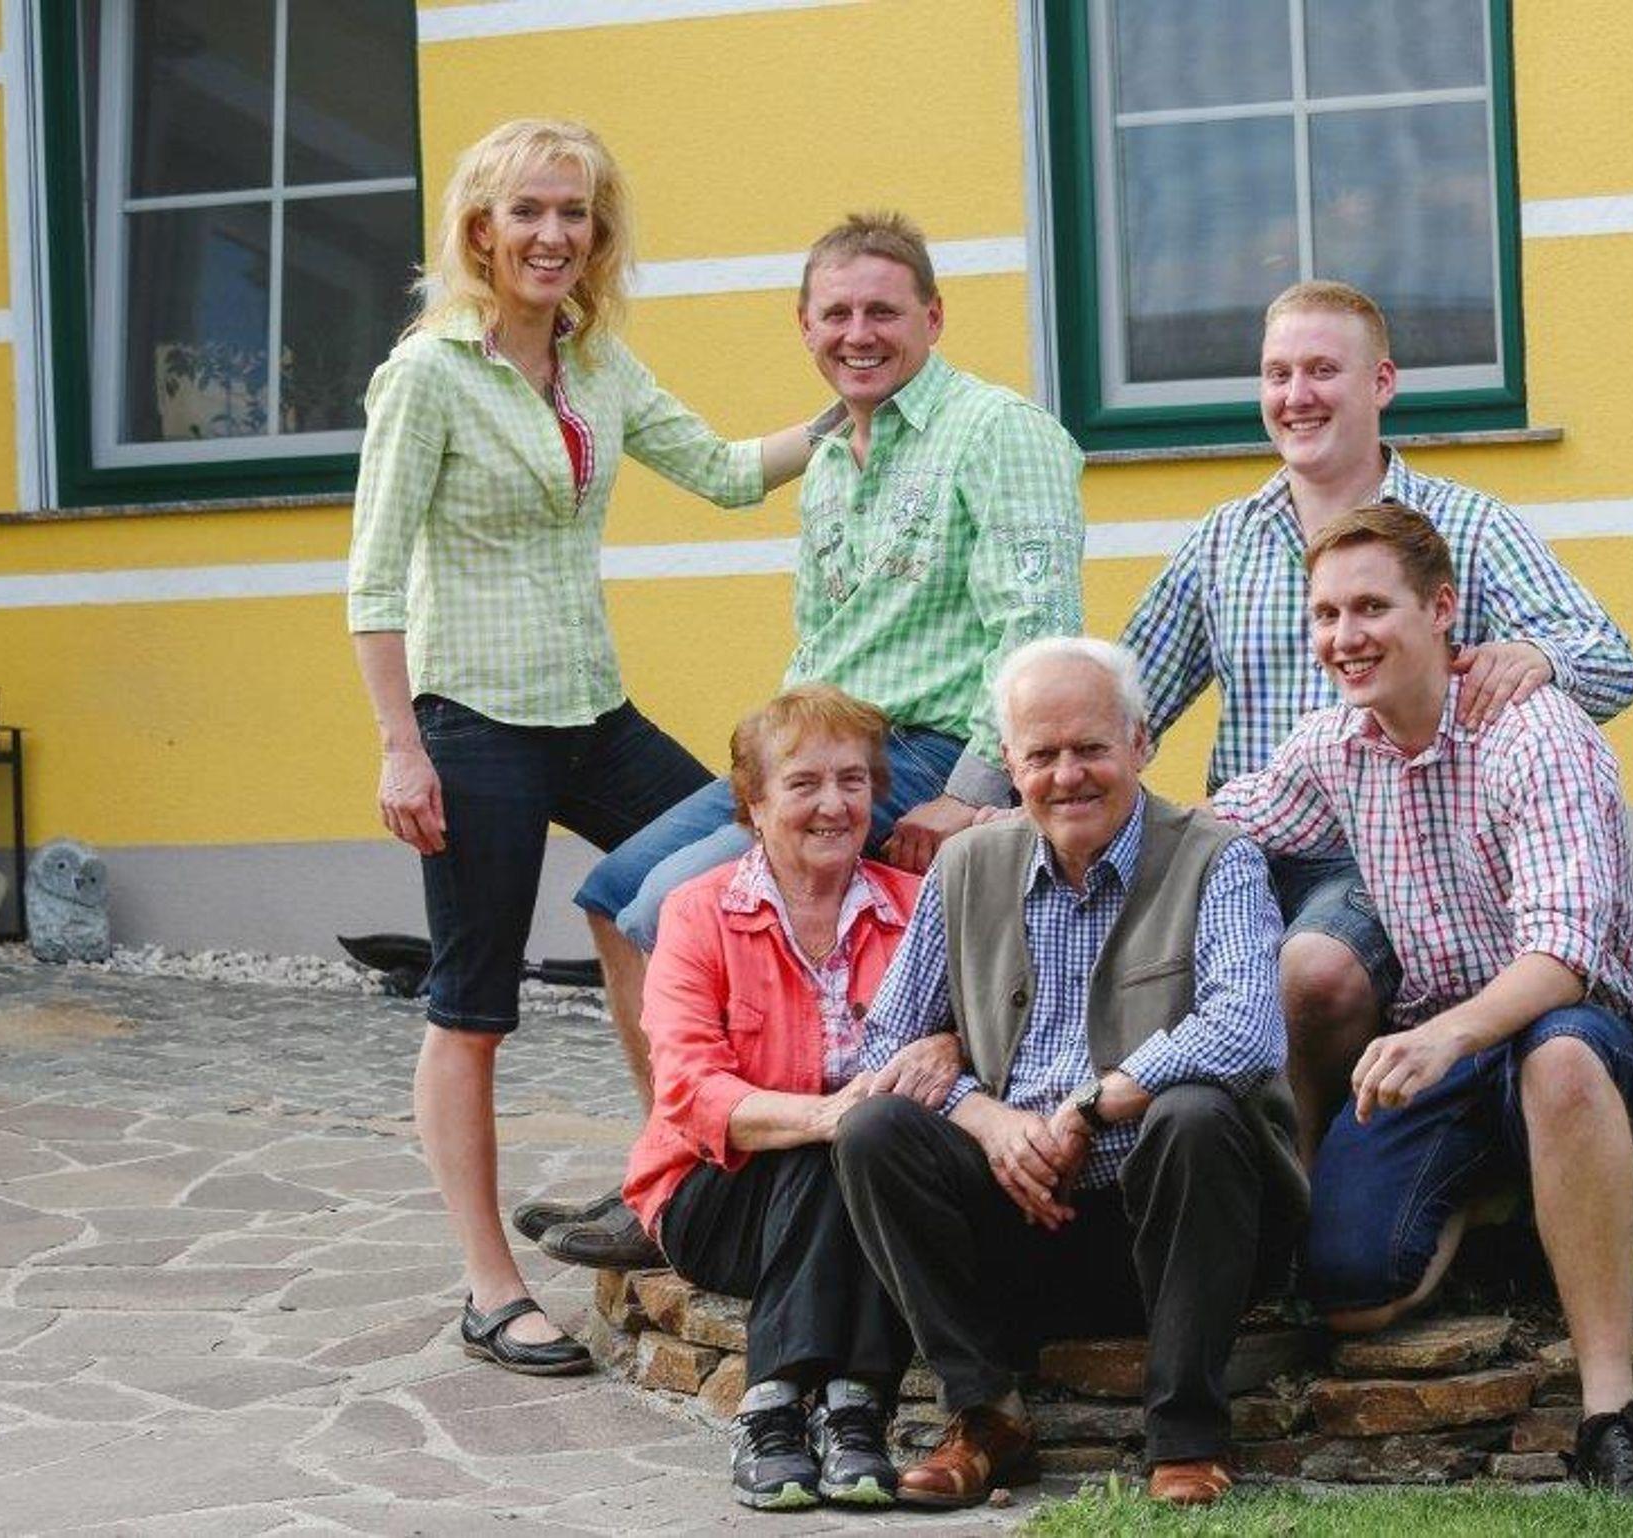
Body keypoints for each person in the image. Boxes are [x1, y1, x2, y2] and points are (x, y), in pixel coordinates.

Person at [527, 211, 1085, 1267]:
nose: (858, 334)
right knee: (612, 894)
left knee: (669, 907)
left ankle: (702, 1179)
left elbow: (1039, 627)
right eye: (836, 314)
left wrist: (975, 789)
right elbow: (820, 640)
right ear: (804, 325)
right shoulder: (830, 455)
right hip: (819, 739)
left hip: (924, 749)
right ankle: (680, 1156)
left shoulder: (996, 431)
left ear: (933, 317)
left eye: (883, 311)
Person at [348, 118, 814, 1373]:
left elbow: (724, 472)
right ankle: (490, 1283)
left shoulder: (595, 362)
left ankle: (674, 1172)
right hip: (472, 721)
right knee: (473, 1003)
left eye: (575, 212)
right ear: (480, 228)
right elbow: (374, 581)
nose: (553, 234)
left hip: (590, 711)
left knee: (736, 862)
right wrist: (402, 747)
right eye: (529, 211)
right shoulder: (428, 374)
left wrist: (861, 405)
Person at [1211, 505, 1633, 1504]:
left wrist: (1442, 1035)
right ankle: (1491, 1180)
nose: (1345, 635)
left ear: (1439, 610)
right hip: (1447, 1049)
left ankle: (1611, 1414)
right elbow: (1217, 825)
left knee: (1558, 1059)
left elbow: (1563, 952)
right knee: (1351, 1296)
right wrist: (1051, 805)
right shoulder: (1334, 746)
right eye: (1326, 614)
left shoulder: (1535, 733)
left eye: (1371, 607)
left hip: (1571, 1027)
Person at [1120, 280, 1633, 1158]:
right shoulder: (1222, 542)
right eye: (1278, 374)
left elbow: (1614, 660)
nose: (1297, 396)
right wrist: (1023, 788)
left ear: (1382, 383)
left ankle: (1307, 1188)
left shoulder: (1466, 528)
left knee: (1314, 969)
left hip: (1387, 857)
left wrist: (1542, 658)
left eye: (1323, 370)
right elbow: (1127, 701)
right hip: (1252, 841)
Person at [832, 638, 1300, 1510]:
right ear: (1010, 766)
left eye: (1091, 747)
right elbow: (883, 1045)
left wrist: (1090, 1106)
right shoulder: (967, 865)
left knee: (1195, 1114)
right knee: (874, 1131)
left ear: (1141, 743)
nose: (1067, 775)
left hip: (1176, 1222)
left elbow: (1246, 1031)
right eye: (1041, 754)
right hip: (1021, 1217)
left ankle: (1188, 1437)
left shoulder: (1217, 858)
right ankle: (985, 1417)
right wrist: (986, 1118)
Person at [626, 686, 929, 1510]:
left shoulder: (916, 910)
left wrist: (938, 1054)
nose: (834, 804)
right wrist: (827, 1117)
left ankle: (790, 1413)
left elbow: (970, 1037)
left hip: (866, 1182)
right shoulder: (698, 913)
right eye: (804, 784)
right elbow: (688, 1088)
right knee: (832, 1150)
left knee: (853, 1155)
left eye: (853, 781)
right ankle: (838, 1409)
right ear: (753, 804)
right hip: (714, 1193)